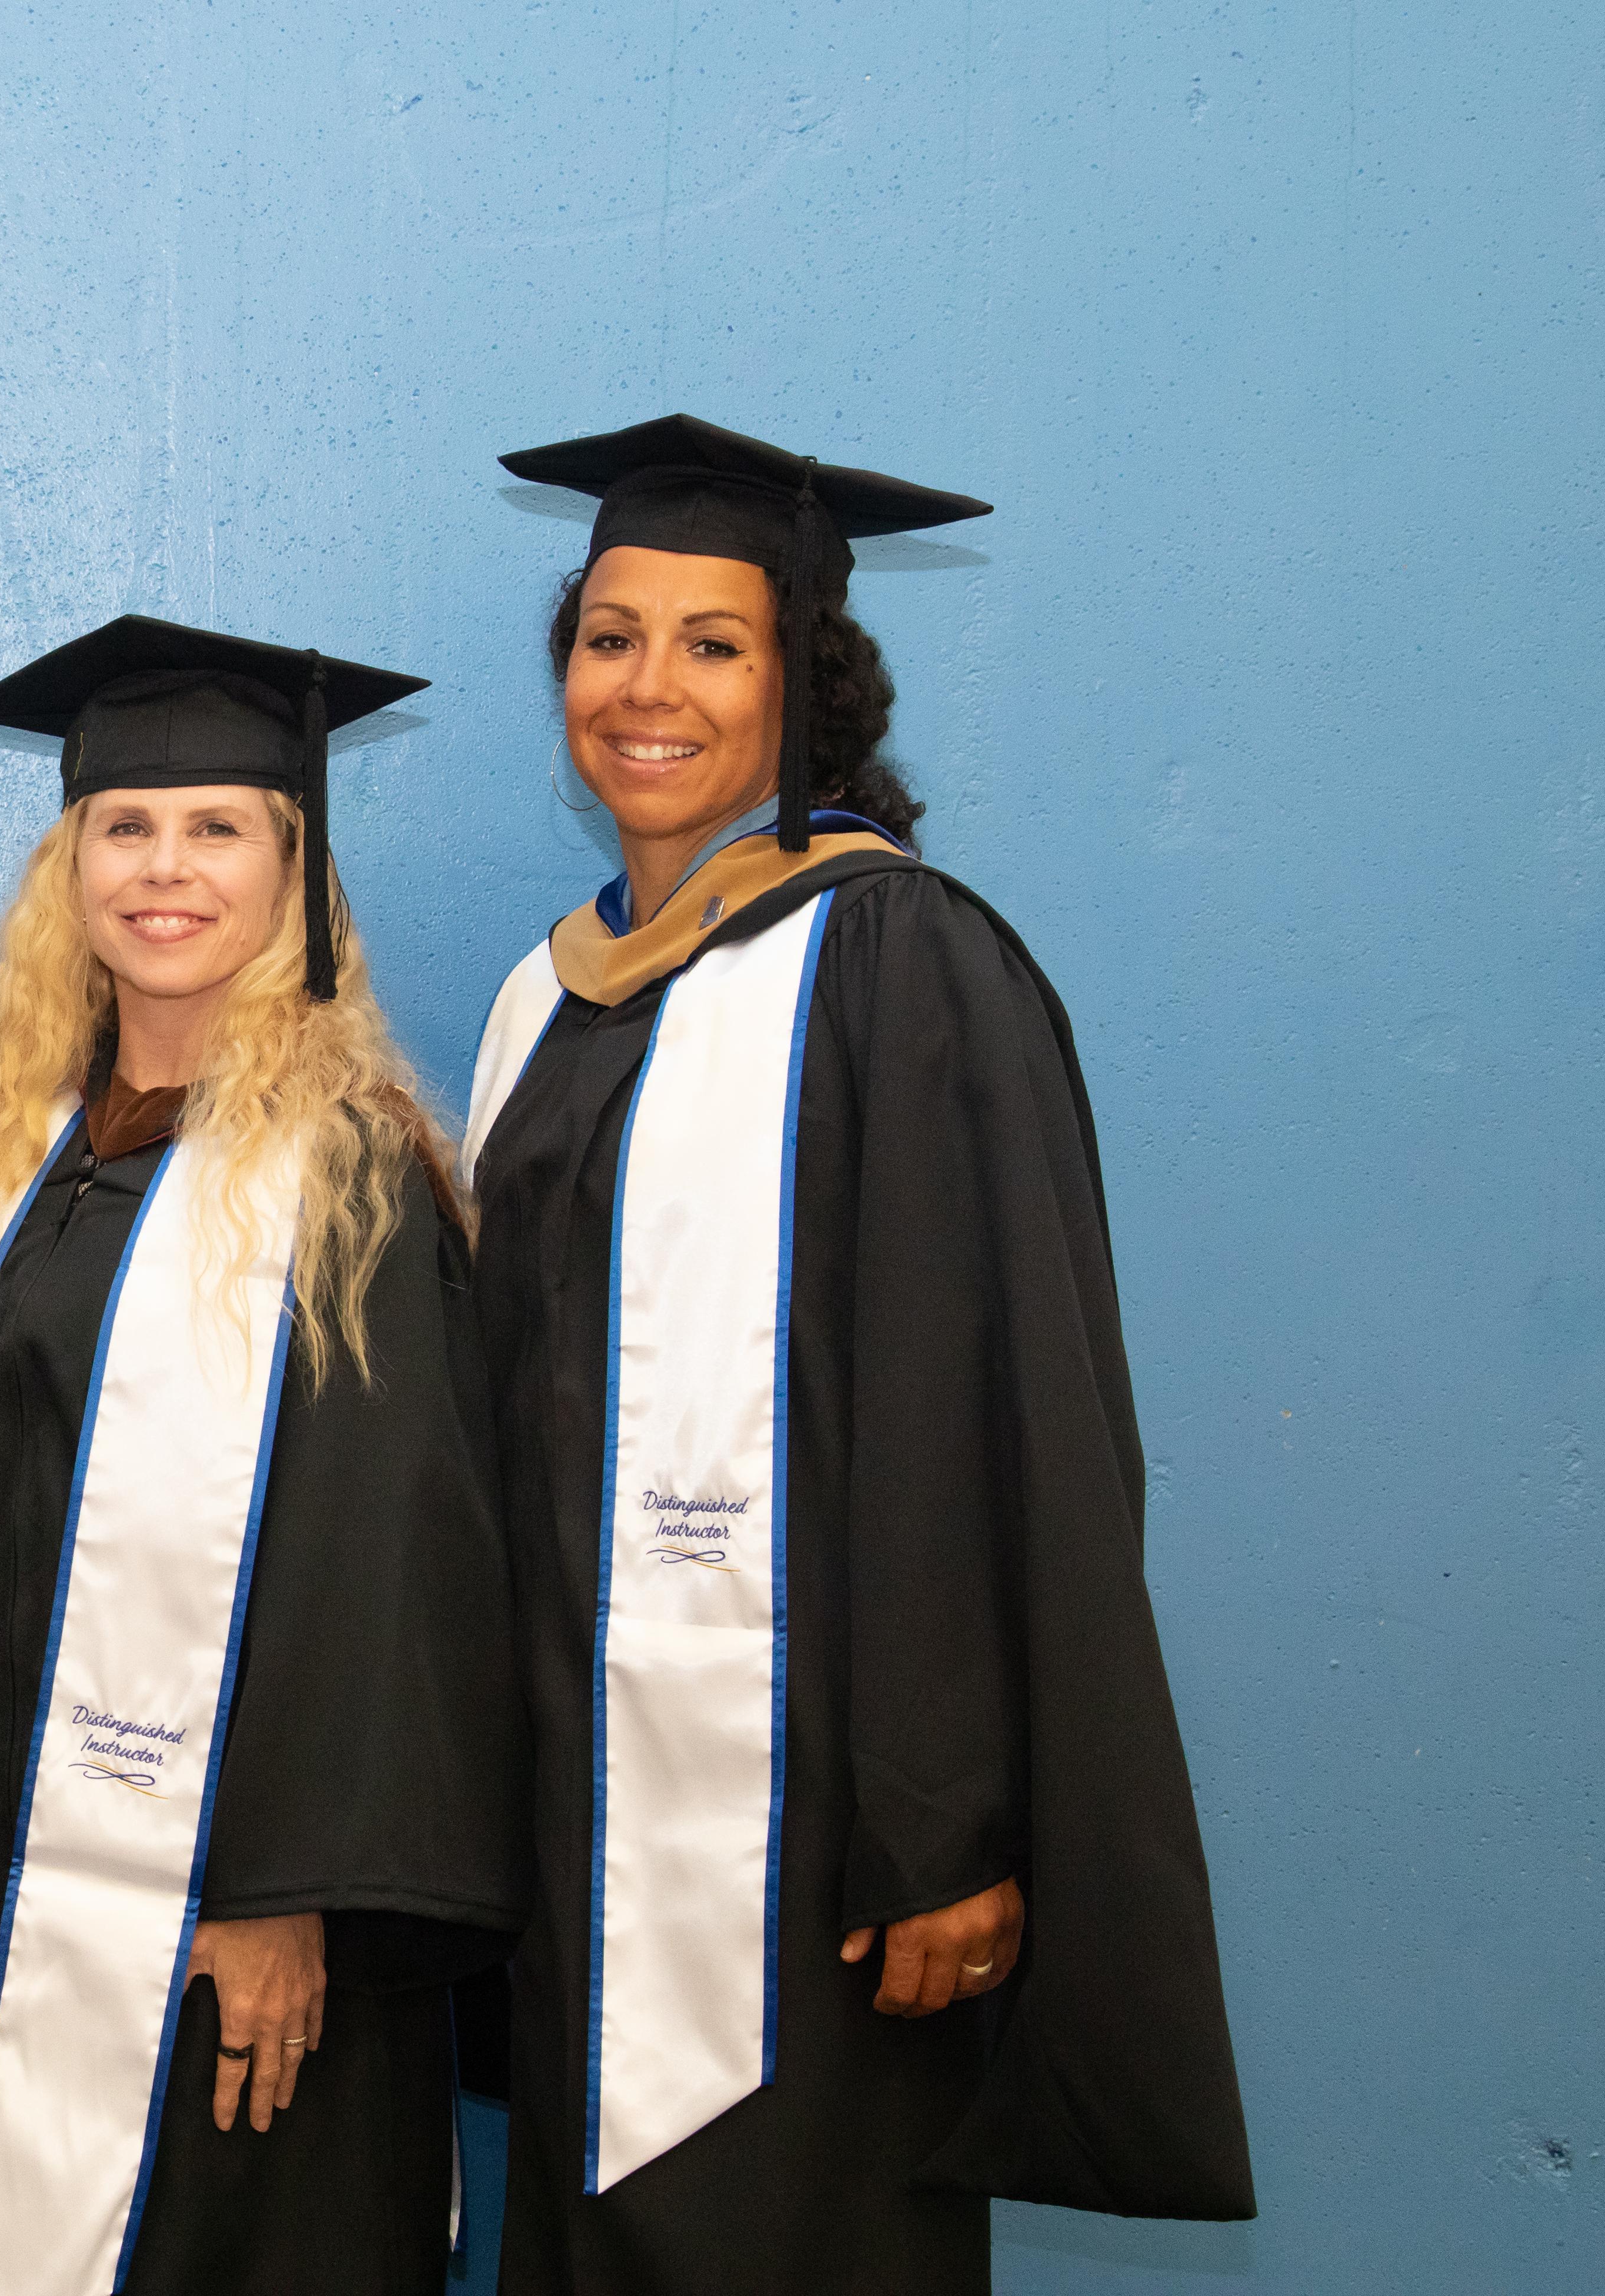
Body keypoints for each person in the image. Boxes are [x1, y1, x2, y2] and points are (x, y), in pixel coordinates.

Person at [459, 413, 1254, 2292]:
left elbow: (987, 1413)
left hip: (820, 1839)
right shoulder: (541, 994)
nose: (648, 689)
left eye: (712, 644)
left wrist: (946, 1823)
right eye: (610, 636)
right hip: (581, 1804)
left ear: (806, 685)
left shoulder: (904, 961)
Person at [0, 616, 530, 2296]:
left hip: (236, 1904)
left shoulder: (343, 1181)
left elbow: (384, 1566)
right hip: (7, 1855)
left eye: (219, 829)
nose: (167, 872)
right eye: (126, 830)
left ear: (293, 869)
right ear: (68, 866)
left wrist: (281, 1892)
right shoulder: (16, 1165)